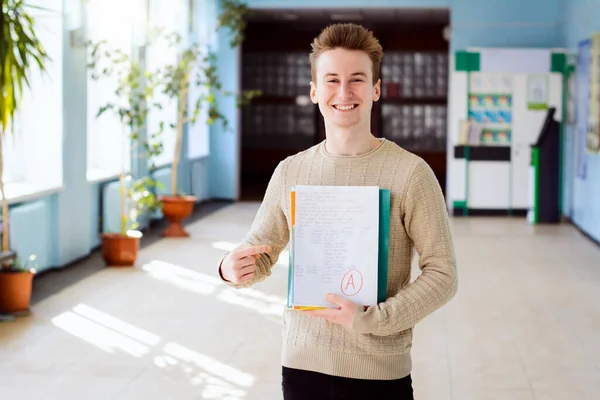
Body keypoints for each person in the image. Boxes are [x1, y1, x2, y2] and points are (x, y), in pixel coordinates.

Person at [218, 23, 458, 400]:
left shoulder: (411, 173)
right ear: (314, 91)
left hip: (379, 372)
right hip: (301, 366)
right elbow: (259, 251)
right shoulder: (291, 171)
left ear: (376, 89)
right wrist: (230, 268)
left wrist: (373, 320)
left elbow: (443, 274)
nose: (344, 93)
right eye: (331, 80)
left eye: (357, 80)